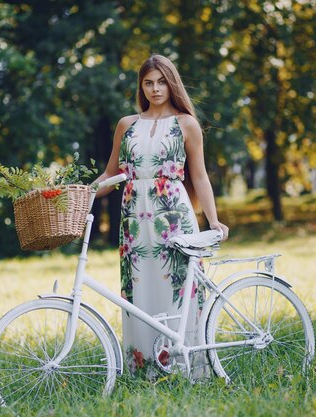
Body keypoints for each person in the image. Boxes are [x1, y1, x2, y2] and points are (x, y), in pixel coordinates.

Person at [94, 54, 229, 378]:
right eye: (148, 82)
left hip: (173, 216)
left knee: (178, 287)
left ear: (172, 84)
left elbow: (199, 176)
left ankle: (188, 366)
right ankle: (146, 370)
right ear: (141, 86)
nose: (155, 89)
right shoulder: (127, 125)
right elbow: (110, 174)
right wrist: (74, 194)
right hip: (133, 222)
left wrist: (212, 221)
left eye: (161, 82)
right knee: (139, 289)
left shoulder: (186, 124)